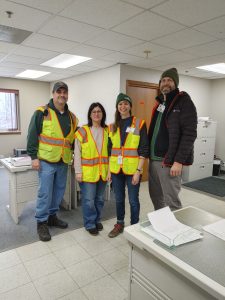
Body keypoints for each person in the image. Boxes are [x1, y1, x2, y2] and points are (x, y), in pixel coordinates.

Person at [27, 81, 78, 242]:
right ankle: (41, 222)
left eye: (65, 92)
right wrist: (33, 157)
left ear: (67, 95)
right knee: (44, 192)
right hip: (47, 160)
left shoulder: (72, 117)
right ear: (53, 94)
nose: (62, 95)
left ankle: (52, 216)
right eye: (59, 92)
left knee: (59, 191)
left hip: (63, 161)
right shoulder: (42, 112)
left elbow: (75, 140)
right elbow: (32, 134)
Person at [148, 68, 197, 210]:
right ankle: (163, 226)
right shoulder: (159, 104)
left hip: (169, 162)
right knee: (156, 198)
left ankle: (176, 230)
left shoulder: (184, 102)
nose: (165, 83)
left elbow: (190, 134)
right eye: (163, 80)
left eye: (169, 80)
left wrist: (178, 161)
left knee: (172, 201)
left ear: (175, 83)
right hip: (154, 160)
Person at [107, 93, 149, 238]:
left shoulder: (139, 123)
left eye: (125, 103)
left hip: (132, 170)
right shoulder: (111, 127)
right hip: (116, 170)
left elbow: (144, 149)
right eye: (120, 104)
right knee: (118, 199)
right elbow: (109, 150)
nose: (123, 106)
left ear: (130, 106)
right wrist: (109, 171)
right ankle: (119, 223)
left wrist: (139, 170)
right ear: (117, 107)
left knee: (133, 200)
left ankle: (135, 226)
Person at [74, 102, 108, 236]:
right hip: (87, 173)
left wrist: (110, 171)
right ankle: (89, 223)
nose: (96, 114)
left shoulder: (107, 131)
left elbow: (111, 153)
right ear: (90, 114)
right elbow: (77, 153)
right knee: (89, 201)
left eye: (99, 111)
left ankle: (97, 219)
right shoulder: (82, 131)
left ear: (103, 114)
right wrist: (78, 171)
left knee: (99, 199)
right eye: (94, 111)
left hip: (102, 172)